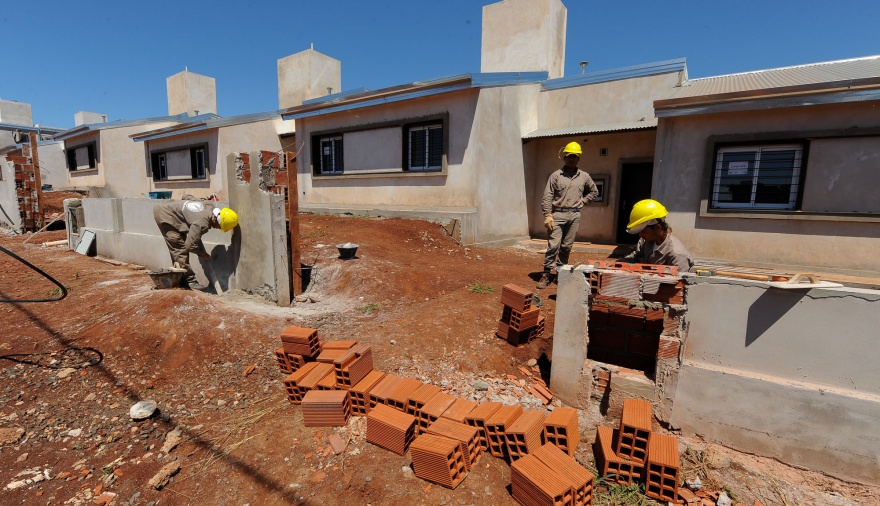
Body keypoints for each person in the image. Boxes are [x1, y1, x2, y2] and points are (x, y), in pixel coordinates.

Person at [537, 141, 599, 289]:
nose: (572, 159)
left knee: (566, 247)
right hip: (557, 214)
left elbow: (594, 191)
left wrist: (583, 201)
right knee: (553, 246)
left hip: (574, 215)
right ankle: (546, 274)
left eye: (575, 156)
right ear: (564, 157)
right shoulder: (555, 176)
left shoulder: (584, 176)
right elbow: (547, 196)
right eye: (569, 156)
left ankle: (560, 273)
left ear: (579, 158)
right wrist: (547, 215)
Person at [153, 199, 238, 289]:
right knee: (180, 249)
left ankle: (180, 279)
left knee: (181, 245)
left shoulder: (209, 205)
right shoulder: (202, 224)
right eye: (220, 227)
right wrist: (202, 253)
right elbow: (190, 245)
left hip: (169, 208)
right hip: (165, 216)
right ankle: (189, 281)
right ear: (217, 221)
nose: (217, 229)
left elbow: (187, 196)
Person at [621, 199, 693, 272]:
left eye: (644, 231)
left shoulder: (677, 255)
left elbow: (681, 281)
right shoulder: (646, 241)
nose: (640, 235)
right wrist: (618, 263)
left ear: (657, 228)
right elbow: (636, 256)